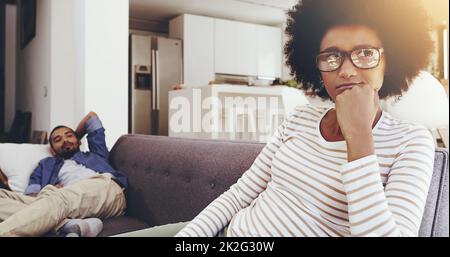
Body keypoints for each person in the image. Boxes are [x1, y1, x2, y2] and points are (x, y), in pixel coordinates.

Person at [119, 0, 436, 237]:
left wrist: (360, 140)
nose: (347, 69)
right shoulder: (300, 118)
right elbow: (241, 194)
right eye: (332, 55)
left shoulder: (412, 142)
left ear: (391, 59)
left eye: (366, 53)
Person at [0, 112, 128, 237]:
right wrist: (49, 192)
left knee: (55, 197)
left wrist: (76, 138)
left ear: (79, 141)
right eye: (58, 139)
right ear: (52, 150)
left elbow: (91, 117)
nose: (65, 140)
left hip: (105, 188)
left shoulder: (96, 154)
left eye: (69, 136)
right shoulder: (45, 165)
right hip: (57, 201)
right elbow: (33, 197)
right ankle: (66, 225)